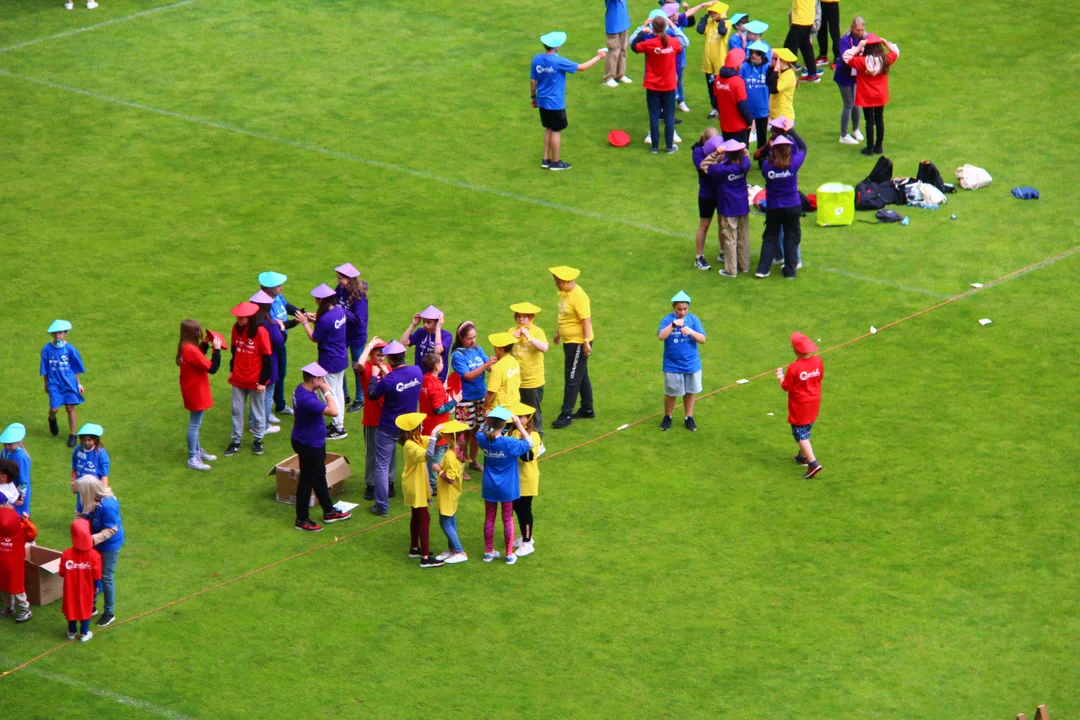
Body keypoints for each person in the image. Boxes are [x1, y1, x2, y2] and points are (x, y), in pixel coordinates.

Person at [290, 362, 352, 532]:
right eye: (322, 378)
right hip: (309, 444)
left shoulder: (302, 389)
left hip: (309, 441)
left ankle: (328, 510)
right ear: (314, 379)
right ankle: (301, 519)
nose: (324, 381)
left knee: (319, 475)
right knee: (307, 481)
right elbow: (334, 411)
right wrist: (327, 391)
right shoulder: (307, 398)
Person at [531, 32, 607, 171]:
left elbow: (532, 81)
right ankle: (555, 162)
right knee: (556, 130)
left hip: (542, 100)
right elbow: (582, 68)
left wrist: (533, 97)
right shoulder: (559, 61)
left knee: (548, 127)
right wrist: (599, 56)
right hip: (555, 103)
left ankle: (546, 159)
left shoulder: (536, 59)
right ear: (557, 46)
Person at [367, 340, 423, 517]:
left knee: (382, 466)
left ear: (390, 359)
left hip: (389, 427)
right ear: (404, 355)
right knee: (419, 459)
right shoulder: (417, 371)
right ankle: (426, 495)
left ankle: (382, 506)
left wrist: (374, 376)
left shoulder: (388, 380)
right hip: (412, 425)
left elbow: (372, 395)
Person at [476, 406, 535, 565]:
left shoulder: (482, 439)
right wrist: (519, 424)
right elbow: (530, 443)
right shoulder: (510, 442)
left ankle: (489, 552)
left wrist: (486, 421)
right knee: (507, 519)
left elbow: (480, 431)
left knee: (489, 518)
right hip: (507, 487)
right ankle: (509, 554)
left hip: (489, 485)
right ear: (504, 424)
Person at [294, 284, 349, 439]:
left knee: (330, 392)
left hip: (329, 360)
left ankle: (338, 428)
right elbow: (327, 326)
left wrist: (305, 322)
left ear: (321, 300)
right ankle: (338, 422)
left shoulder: (325, 319)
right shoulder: (339, 310)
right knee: (338, 391)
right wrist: (314, 319)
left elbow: (314, 337)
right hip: (341, 357)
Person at [73, 475, 124, 626]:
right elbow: (79, 514)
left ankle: (109, 612)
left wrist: (90, 539)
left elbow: (111, 529)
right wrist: (78, 529)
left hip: (109, 545)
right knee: (90, 574)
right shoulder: (86, 497)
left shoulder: (108, 505)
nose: (79, 495)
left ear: (89, 490)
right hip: (92, 541)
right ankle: (92, 606)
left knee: (105, 576)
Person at [395, 413, 444, 568]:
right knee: (425, 518)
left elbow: (430, 441)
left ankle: (414, 548)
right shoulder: (410, 445)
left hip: (414, 483)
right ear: (413, 429)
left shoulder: (415, 439)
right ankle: (425, 557)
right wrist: (434, 434)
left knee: (416, 516)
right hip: (415, 485)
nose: (422, 427)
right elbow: (429, 454)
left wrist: (444, 430)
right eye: (420, 425)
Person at [755, 134, 807, 279]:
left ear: (774, 150)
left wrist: (767, 147)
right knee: (791, 237)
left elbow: (762, 156)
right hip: (792, 206)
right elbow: (803, 147)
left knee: (770, 237)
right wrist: (791, 131)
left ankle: (762, 270)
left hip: (773, 207)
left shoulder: (767, 167)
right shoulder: (794, 164)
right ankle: (790, 271)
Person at [550, 266, 594, 429]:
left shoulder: (579, 297)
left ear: (568, 281)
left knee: (572, 377)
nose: (556, 284)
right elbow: (564, 316)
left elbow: (586, 321)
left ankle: (566, 414)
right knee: (581, 375)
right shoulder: (564, 294)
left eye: (559, 282)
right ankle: (587, 409)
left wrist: (586, 341)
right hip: (569, 340)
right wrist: (558, 332)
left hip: (578, 342)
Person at [225, 301, 272, 456]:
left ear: (250, 317)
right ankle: (236, 441)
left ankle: (258, 440)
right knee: (236, 410)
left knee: (258, 411)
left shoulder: (260, 332)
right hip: (238, 379)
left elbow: (267, 358)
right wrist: (232, 371)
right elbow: (234, 352)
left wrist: (262, 381)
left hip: (255, 380)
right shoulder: (235, 329)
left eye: (242, 317)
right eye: (238, 316)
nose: (238, 319)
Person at [632, 14, 684, 154]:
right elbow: (680, 47)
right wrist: (673, 26)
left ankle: (654, 146)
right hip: (669, 85)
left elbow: (634, 46)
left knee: (654, 115)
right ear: (666, 27)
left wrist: (642, 30)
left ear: (653, 29)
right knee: (669, 115)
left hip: (653, 85)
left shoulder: (649, 44)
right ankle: (669, 146)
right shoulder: (673, 42)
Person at [776, 332, 824, 478]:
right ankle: (802, 457)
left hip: (800, 404)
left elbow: (786, 387)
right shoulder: (818, 361)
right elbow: (820, 377)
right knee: (807, 426)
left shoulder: (794, 367)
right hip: (814, 401)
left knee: (799, 432)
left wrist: (780, 376)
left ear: (795, 350)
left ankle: (813, 463)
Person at [657, 291, 707, 431]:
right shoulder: (667, 320)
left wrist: (691, 332)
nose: (682, 312)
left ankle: (688, 417)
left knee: (690, 391)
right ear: (673, 307)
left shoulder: (693, 320)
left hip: (692, 364)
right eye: (679, 309)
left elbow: (702, 339)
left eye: (685, 309)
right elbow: (661, 336)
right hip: (672, 364)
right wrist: (673, 325)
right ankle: (668, 416)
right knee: (671, 392)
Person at [177, 319, 222, 471]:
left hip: (191, 388)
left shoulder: (186, 347)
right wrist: (216, 350)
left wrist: (204, 344)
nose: (200, 332)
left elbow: (198, 358)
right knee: (194, 424)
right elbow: (212, 368)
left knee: (195, 423)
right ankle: (192, 457)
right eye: (197, 331)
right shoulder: (191, 350)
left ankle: (196, 451)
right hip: (196, 390)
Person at [701, 138, 751, 276]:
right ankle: (744, 266)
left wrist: (715, 153)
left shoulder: (721, 169)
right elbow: (746, 155)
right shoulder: (745, 164)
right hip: (742, 206)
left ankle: (731, 270)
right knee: (743, 237)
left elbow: (704, 165)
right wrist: (741, 147)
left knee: (730, 238)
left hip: (728, 207)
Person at [843, 33, 899, 156]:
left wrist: (858, 48)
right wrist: (886, 42)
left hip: (866, 96)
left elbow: (846, 56)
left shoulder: (861, 62)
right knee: (879, 119)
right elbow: (896, 52)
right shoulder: (886, 60)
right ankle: (878, 147)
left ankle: (869, 148)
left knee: (869, 121)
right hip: (880, 95)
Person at [258, 271, 304, 418]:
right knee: (271, 377)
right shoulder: (264, 305)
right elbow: (276, 326)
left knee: (281, 374)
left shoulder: (277, 297)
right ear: (269, 288)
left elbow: (287, 306)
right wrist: (296, 322)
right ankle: (267, 410)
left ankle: (280, 405)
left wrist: (301, 312)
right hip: (271, 345)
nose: (281, 288)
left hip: (280, 342)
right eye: (278, 286)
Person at [450, 322, 495, 474]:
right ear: (461, 338)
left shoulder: (477, 349)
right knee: (464, 434)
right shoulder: (457, 355)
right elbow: (468, 376)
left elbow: (489, 367)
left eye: (474, 337)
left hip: (481, 398)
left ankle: (473, 461)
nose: (473, 341)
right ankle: (461, 464)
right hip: (465, 400)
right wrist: (485, 365)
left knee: (478, 432)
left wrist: (495, 365)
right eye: (469, 338)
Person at [356, 338, 395, 502]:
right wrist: (369, 346)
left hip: (388, 419)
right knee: (372, 453)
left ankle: (390, 482)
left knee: (391, 453)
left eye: (383, 355)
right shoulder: (367, 368)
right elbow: (358, 364)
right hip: (372, 420)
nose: (381, 358)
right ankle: (371, 485)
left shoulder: (389, 369)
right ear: (371, 355)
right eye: (378, 355)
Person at [429, 420, 470, 564]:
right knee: (451, 520)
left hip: (448, 492)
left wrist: (437, 469)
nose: (443, 436)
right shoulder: (459, 450)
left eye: (445, 434)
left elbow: (450, 479)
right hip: (452, 492)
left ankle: (459, 551)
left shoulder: (451, 456)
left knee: (444, 522)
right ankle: (452, 548)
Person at [40, 319, 86, 449]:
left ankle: (72, 434)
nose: (57, 335)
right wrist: (46, 384)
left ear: (65, 333)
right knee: (54, 408)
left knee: (70, 407)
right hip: (54, 382)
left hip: (69, 382)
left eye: (60, 333)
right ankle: (52, 418)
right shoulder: (47, 349)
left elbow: (75, 368)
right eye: (54, 333)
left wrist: (78, 384)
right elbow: (45, 369)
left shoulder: (70, 349)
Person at [419, 353, 460, 495]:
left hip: (426, 425)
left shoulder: (425, 380)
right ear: (437, 366)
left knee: (429, 455)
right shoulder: (435, 385)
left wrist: (443, 389)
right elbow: (438, 409)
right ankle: (433, 485)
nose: (443, 364)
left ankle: (428, 481)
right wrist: (455, 400)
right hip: (438, 427)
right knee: (437, 456)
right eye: (442, 362)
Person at [248, 290, 286, 435]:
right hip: (269, 364)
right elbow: (278, 341)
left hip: (253, 364)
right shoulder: (269, 323)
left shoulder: (249, 323)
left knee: (256, 398)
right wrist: (281, 328)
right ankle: (263, 425)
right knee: (266, 395)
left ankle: (253, 423)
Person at [509, 402, 543, 557]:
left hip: (526, 479)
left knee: (524, 510)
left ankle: (528, 542)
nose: (516, 419)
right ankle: (524, 535)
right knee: (516, 507)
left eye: (520, 417)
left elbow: (527, 456)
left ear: (528, 419)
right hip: (515, 479)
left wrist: (522, 435)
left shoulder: (533, 436)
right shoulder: (512, 432)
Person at [507, 302, 549, 431]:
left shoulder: (537, 332)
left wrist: (529, 337)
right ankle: (517, 435)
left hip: (532, 381)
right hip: (515, 380)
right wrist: (511, 339)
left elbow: (544, 348)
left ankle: (537, 436)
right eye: (519, 316)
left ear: (531, 318)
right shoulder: (511, 331)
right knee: (515, 411)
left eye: (524, 317)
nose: (521, 319)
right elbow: (502, 350)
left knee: (532, 412)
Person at [334, 262, 369, 413]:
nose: (338, 281)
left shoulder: (358, 295)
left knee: (357, 368)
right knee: (341, 364)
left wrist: (342, 311)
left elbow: (359, 318)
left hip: (356, 336)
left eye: (341, 278)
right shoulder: (339, 290)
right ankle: (344, 395)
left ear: (349, 279)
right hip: (342, 334)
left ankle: (360, 399)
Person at [59, 519, 101, 642]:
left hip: (70, 588)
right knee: (85, 607)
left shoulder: (67, 553)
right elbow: (97, 575)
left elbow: (62, 573)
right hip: (87, 589)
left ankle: (71, 631)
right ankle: (84, 633)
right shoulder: (94, 555)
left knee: (71, 607)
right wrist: (96, 585)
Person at [0, 506, 37, 623]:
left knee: (17, 588)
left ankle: (25, 608)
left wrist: (26, 521)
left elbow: (32, 534)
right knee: (3, 587)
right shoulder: (18, 530)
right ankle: (9, 607)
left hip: (15, 567)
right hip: (2, 566)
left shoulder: (21, 530)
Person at [692, 128, 721, 271]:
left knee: (723, 223)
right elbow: (704, 171)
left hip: (720, 192)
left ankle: (723, 252)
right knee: (704, 225)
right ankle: (699, 257)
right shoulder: (698, 152)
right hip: (706, 194)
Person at [834, 16, 866, 145]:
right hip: (844, 75)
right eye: (858, 30)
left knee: (857, 102)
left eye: (862, 30)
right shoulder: (845, 41)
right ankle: (843, 135)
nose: (860, 32)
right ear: (852, 28)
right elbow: (846, 57)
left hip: (856, 75)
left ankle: (856, 129)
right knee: (849, 104)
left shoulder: (864, 38)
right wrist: (858, 49)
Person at [402, 305, 453, 381]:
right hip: (420, 377)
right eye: (424, 322)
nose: (425, 325)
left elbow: (438, 350)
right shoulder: (420, 332)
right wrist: (413, 325)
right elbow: (403, 343)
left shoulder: (446, 336)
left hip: (438, 379)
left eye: (428, 322)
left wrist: (438, 328)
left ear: (437, 322)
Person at [697, 2, 729, 119]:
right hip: (708, 61)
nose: (712, 14)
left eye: (714, 12)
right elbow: (700, 30)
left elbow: (722, 32)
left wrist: (721, 18)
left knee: (721, 88)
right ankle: (714, 108)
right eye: (711, 12)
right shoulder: (709, 22)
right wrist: (706, 16)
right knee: (711, 86)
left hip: (720, 62)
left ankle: (722, 109)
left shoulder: (726, 23)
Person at [714, 48, 751, 143]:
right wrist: (750, 121)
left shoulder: (718, 78)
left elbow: (715, 100)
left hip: (725, 125)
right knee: (741, 156)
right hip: (738, 127)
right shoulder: (738, 82)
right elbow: (742, 105)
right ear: (737, 65)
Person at [741, 40, 773, 148]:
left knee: (762, 139)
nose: (753, 55)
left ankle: (762, 161)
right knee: (744, 140)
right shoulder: (744, 66)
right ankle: (743, 162)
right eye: (752, 52)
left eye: (757, 53)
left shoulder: (768, 67)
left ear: (762, 55)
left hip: (762, 109)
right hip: (747, 109)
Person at [484, 333, 522, 412]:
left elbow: (491, 392)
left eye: (495, 347)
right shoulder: (514, 362)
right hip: (514, 406)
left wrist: (485, 408)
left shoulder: (498, 367)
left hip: (499, 410)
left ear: (500, 349)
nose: (494, 349)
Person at [784, 0, 819, 83]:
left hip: (800, 20)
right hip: (808, 18)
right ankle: (813, 74)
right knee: (805, 46)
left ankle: (789, 77)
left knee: (789, 48)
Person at [0, 425, 31, 518]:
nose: (7, 446)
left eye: (10, 444)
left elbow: (24, 479)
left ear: (17, 442)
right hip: (6, 486)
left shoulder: (21, 457)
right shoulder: (4, 451)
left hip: (18, 491)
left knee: (19, 515)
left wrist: (20, 497)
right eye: (5, 444)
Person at [603, 0, 633, 87]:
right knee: (613, 52)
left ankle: (620, 75)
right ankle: (608, 78)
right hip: (613, 25)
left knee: (623, 50)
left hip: (623, 22)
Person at [768, 47, 799, 125]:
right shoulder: (780, 72)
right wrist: (771, 68)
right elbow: (767, 83)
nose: (772, 60)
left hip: (783, 117)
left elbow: (773, 89)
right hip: (776, 115)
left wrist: (774, 70)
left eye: (775, 58)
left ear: (782, 61)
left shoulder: (789, 75)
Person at [816, 0, 840, 67]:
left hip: (832, 3)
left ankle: (838, 57)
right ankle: (823, 55)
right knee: (821, 29)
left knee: (834, 31)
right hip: (820, 3)